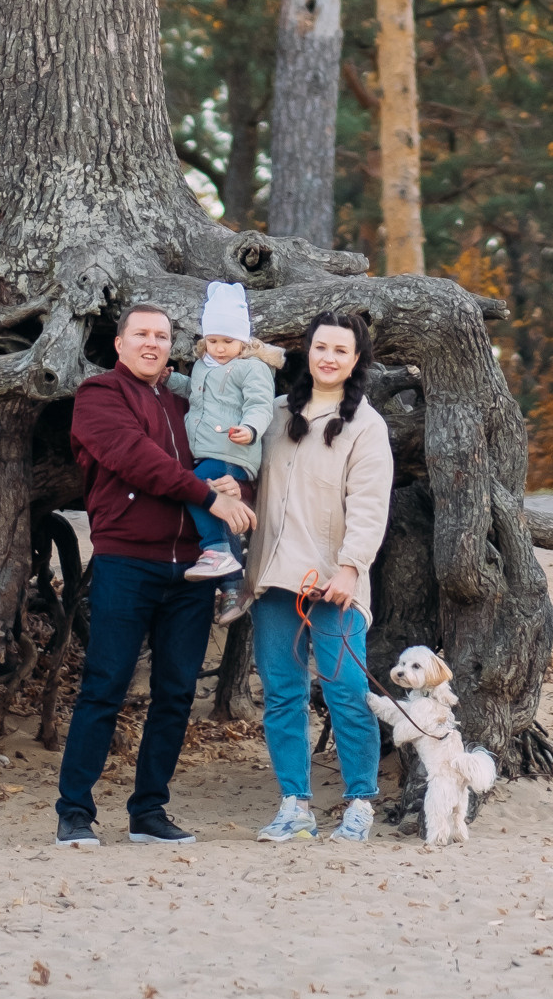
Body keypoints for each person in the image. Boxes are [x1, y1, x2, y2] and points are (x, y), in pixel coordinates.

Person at [54, 299, 255, 848]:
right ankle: (74, 812)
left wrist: (237, 487)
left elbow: (223, 460)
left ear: (172, 347)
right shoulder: (98, 395)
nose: (151, 343)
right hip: (127, 560)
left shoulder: (188, 403)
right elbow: (133, 456)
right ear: (119, 344)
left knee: (175, 691)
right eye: (141, 334)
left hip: (193, 568)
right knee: (105, 686)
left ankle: (149, 811)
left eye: (162, 336)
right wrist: (207, 497)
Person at [249, 310, 394, 845]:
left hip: (335, 583)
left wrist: (351, 569)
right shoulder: (275, 413)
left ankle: (360, 801)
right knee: (283, 694)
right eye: (320, 347)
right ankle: (295, 805)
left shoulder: (366, 426)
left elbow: (370, 506)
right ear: (306, 352)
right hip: (273, 578)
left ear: (356, 360)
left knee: (346, 690)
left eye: (340, 350)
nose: (328, 358)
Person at [184, 279, 275, 609]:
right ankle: (233, 588)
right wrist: (174, 381)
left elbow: (260, 404)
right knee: (216, 505)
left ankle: (217, 551)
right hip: (208, 451)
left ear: (243, 339)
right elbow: (196, 396)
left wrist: (251, 429)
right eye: (213, 340)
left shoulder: (251, 368)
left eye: (228, 340)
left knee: (196, 489)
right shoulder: (201, 366)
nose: (220, 348)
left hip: (231, 450)